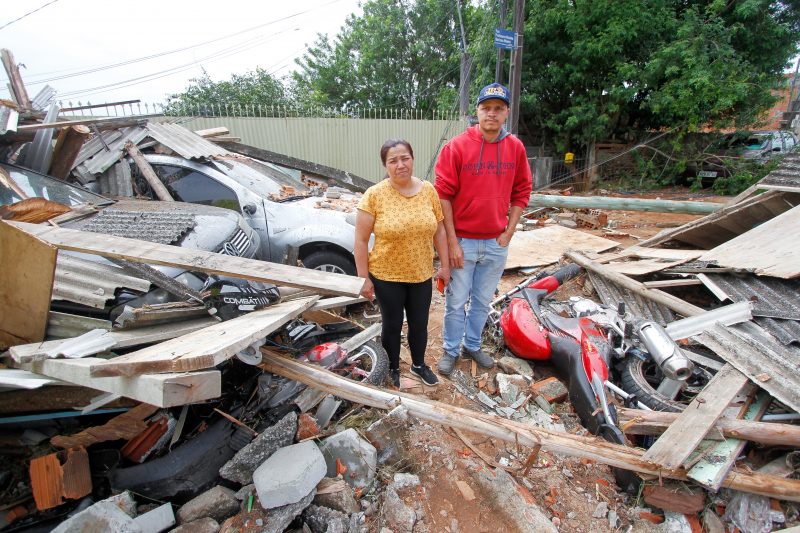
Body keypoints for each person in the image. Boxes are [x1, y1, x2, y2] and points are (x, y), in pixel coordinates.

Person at [434, 82, 533, 376]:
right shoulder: (456, 147)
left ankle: (473, 345)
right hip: (463, 241)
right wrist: (452, 243)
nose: (492, 113)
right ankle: (451, 350)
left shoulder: (515, 148)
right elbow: (443, 196)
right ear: (477, 111)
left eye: (498, 109)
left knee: (481, 301)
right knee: (456, 302)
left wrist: (509, 232)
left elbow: (522, 191)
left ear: (506, 113)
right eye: (486, 108)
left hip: (495, 243)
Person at [354, 139, 450, 388]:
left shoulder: (428, 190)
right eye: (393, 161)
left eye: (405, 158)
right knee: (392, 324)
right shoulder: (374, 195)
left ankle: (418, 364)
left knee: (419, 324)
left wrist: (445, 265)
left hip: (421, 273)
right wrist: (363, 278)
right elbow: (361, 240)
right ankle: (393, 368)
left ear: (412, 159)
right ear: (385, 165)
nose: (400, 165)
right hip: (387, 275)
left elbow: (440, 231)